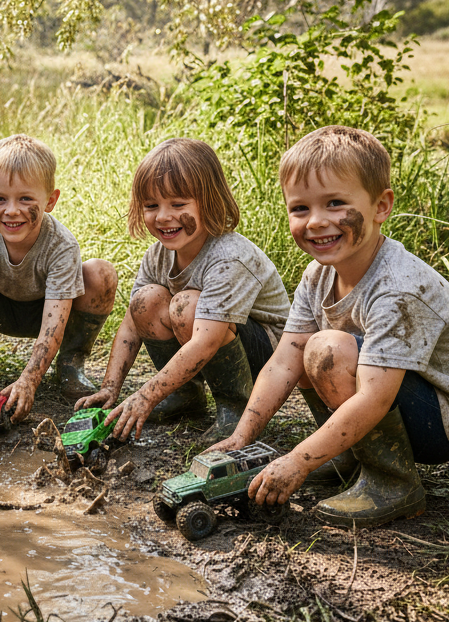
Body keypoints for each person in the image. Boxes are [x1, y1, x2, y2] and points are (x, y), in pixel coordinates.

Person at [210, 126, 449, 528]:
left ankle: (392, 482)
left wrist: (297, 461)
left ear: (381, 206)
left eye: (335, 203)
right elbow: (283, 362)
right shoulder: (317, 275)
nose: (316, 222)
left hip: (446, 419)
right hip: (394, 392)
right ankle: (347, 454)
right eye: (300, 209)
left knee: (328, 349)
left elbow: (375, 398)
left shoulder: (398, 287)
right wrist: (243, 436)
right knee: (311, 350)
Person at [75, 138, 290, 443]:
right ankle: (185, 395)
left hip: (268, 358)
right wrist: (110, 387)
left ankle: (236, 407)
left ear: (209, 202)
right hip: (208, 339)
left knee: (187, 306)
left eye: (178, 204)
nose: (162, 217)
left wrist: (145, 396)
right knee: (145, 301)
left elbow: (206, 341)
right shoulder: (158, 254)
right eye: (151, 206)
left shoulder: (229, 256)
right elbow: (130, 326)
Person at [0, 134, 117, 422]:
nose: (11, 210)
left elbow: (55, 319)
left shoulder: (61, 245)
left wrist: (30, 379)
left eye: (25, 199)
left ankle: (70, 364)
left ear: (50, 201)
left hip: (50, 313)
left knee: (100, 273)